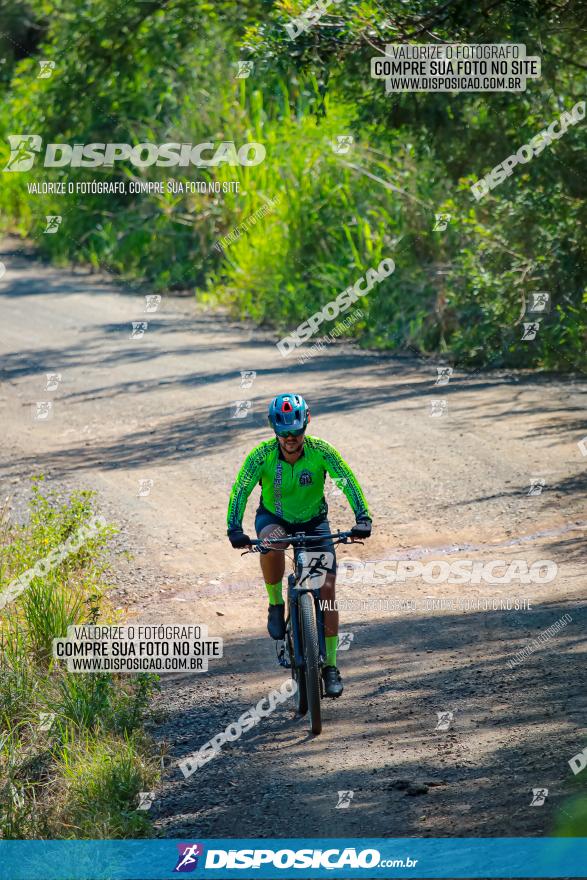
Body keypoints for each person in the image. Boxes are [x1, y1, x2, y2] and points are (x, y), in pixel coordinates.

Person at [226, 393, 371, 697]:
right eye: (284, 433)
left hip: (314, 522)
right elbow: (241, 489)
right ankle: (276, 604)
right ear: (273, 429)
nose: (291, 439)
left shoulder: (321, 451)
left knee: (327, 589)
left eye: (296, 431)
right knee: (272, 543)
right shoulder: (261, 455)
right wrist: (234, 527)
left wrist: (362, 517)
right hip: (274, 518)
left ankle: (330, 665)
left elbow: (346, 479)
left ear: (307, 423)